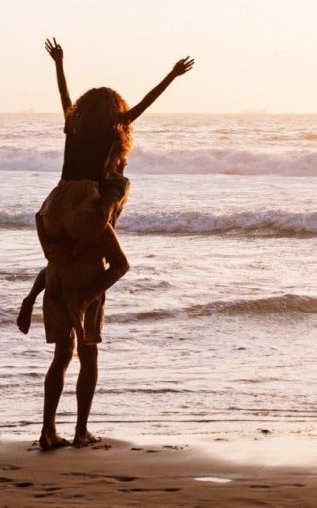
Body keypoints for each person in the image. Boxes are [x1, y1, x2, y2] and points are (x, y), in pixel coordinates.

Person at [19, 38, 193, 449]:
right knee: (90, 350)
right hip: (86, 203)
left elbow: (63, 98)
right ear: (114, 113)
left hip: (56, 201)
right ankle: (80, 431)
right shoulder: (114, 130)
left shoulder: (73, 124)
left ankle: (47, 432)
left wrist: (59, 65)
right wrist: (171, 75)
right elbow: (144, 106)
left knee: (61, 353)